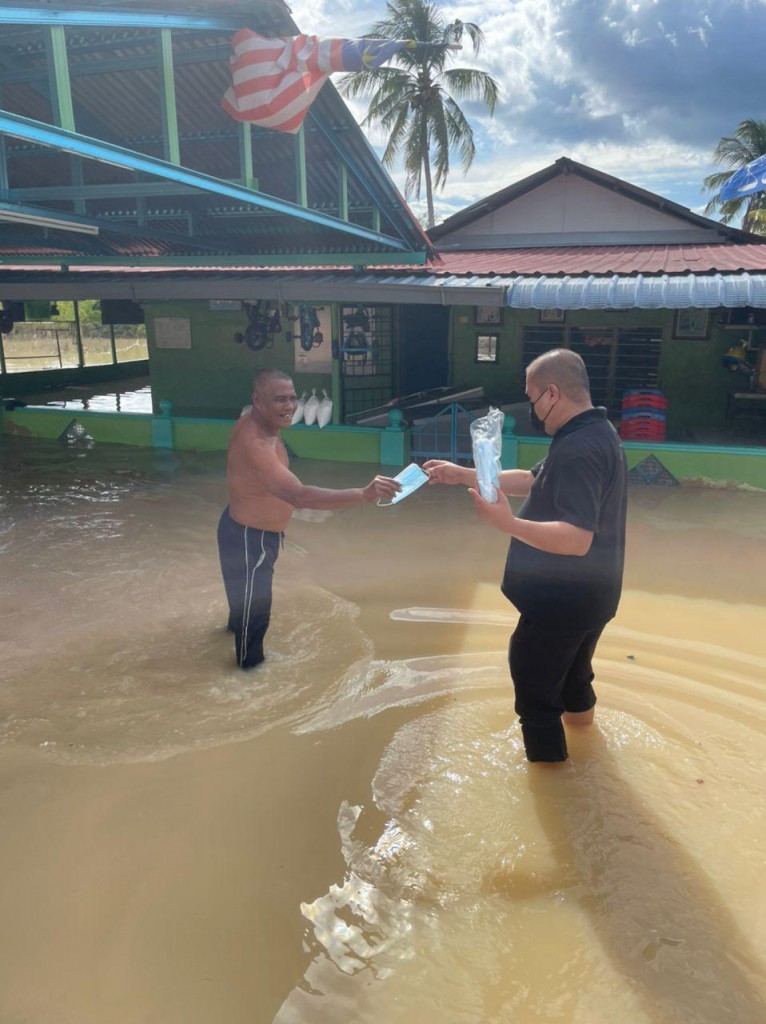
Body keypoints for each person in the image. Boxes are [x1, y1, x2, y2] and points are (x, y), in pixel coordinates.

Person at [425, 349, 627, 763]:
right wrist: (464, 474)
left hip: (561, 603)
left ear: (552, 393)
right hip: (593, 596)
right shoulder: (594, 432)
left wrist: (507, 523)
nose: (533, 408)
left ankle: (555, 798)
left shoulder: (578, 448)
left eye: (532, 398)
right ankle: (592, 758)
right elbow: (536, 479)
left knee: (536, 699)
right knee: (573, 682)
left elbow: (576, 539)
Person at [218, 368, 400, 669]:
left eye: (292, 398)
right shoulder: (257, 444)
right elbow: (300, 496)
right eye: (279, 400)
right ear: (258, 401)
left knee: (242, 610)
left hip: (236, 527)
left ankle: (231, 646)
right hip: (253, 540)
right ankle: (247, 680)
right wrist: (363, 493)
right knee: (256, 614)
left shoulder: (248, 424)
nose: (289, 407)